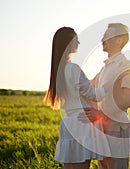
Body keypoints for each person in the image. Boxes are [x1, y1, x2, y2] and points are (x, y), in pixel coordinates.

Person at [44, 27, 110, 169]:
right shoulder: (73, 68)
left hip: (69, 123)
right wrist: (108, 85)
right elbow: (94, 95)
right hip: (83, 122)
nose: (78, 43)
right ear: (68, 43)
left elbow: (80, 89)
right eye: (76, 40)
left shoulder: (59, 70)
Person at [80, 23, 130, 169]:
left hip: (117, 128)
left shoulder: (126, 65)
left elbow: (129, 99)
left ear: (119, 40)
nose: (102, 40)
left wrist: (100, 114)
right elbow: (87, 87)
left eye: (106, 36)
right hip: (102, 128)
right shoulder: (104, 68)